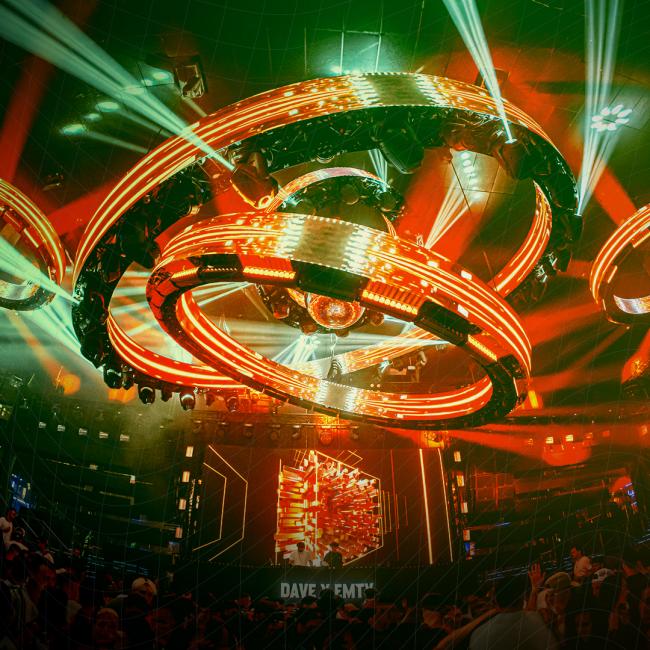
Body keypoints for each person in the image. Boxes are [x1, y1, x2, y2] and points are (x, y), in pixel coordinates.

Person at [469, 575, 558, 650]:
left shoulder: (477, 635)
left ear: (496, 602)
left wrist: (534, 590)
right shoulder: (540, 622)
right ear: (522, 599)